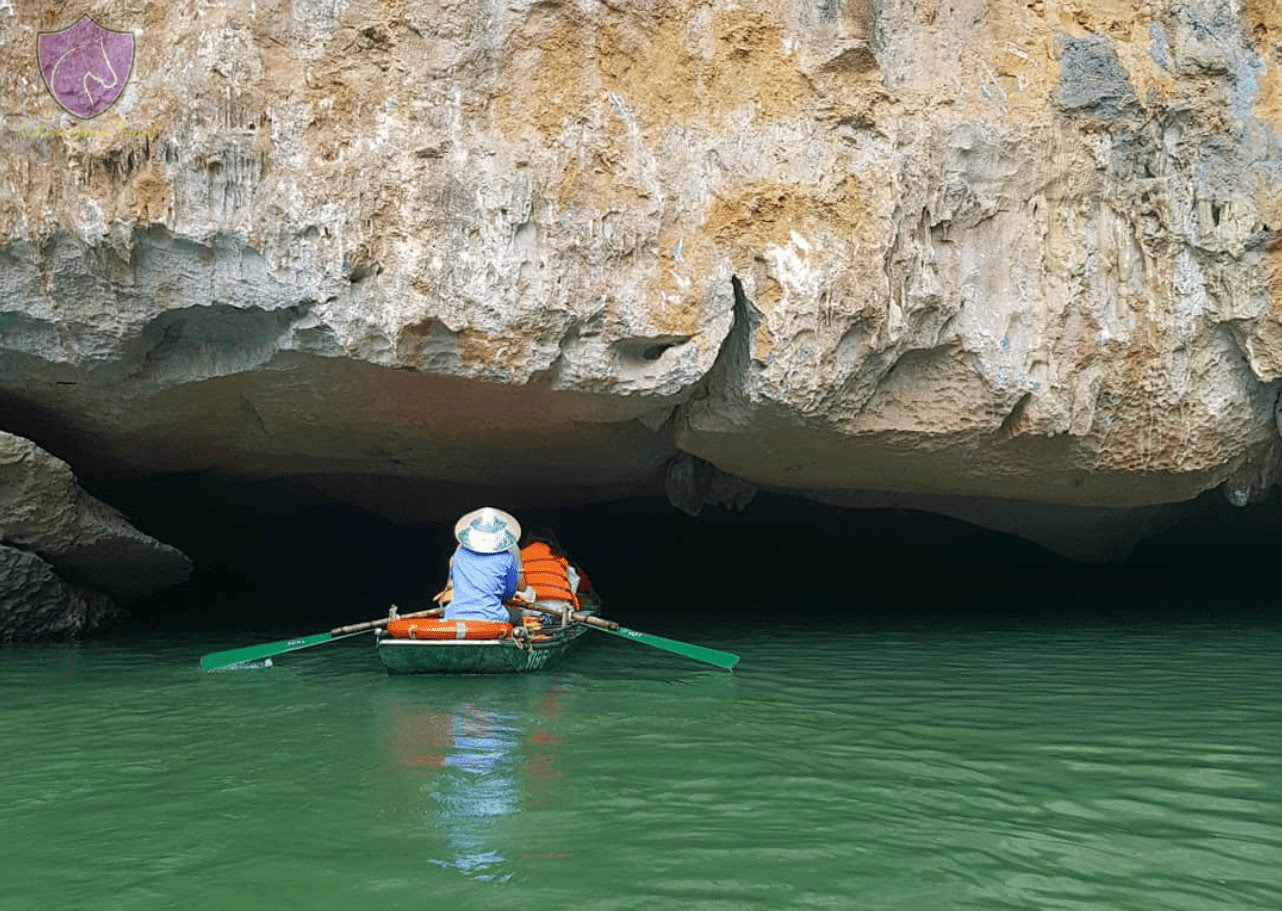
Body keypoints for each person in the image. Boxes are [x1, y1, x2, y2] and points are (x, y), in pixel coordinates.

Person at [433, 507, 527, 624]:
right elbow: (509, 593)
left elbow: (454, 584)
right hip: (492, 618)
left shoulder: (459, 553)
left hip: (453, 616)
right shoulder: (508, 558)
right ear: (500, 535)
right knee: (517, 618)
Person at [517, 527, 582, 620]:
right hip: (560, 608)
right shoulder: (557, 557)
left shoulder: (520, 555)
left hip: (531, 608)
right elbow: (575, 579)